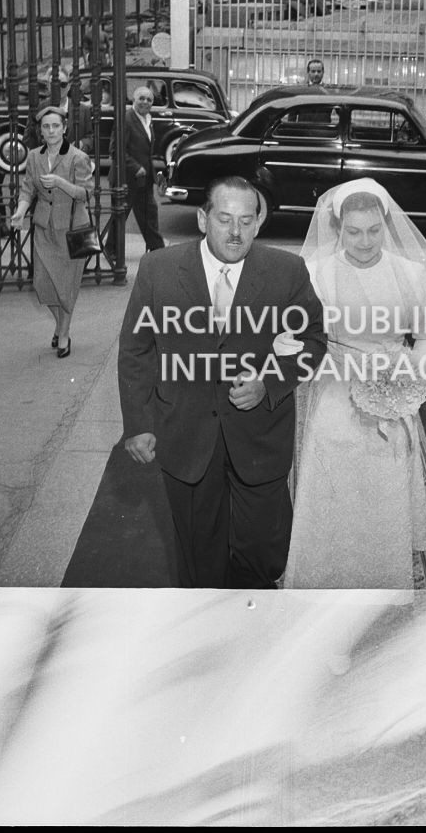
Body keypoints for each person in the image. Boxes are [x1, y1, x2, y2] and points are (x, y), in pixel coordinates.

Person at [117, 176, 327, 589]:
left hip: (260, 435)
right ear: (202, 218)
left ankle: (252, 626)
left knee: (263, 554)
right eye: (225, 219)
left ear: (258, 223)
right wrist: (138, 424)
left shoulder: (286, 271)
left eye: (247, 221)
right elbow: (136, 350)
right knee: (199, 557)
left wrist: (268, 383)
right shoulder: (158, 270)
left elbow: (314, 341)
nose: (235, 232)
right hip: (186, 435)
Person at [283, 178, 426, 590]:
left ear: (387, 224)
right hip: (335, 384)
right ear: (338, 229)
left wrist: (409, 372)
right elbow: (300, 337)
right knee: (335, 477)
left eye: (373, 230)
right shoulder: (317, 274)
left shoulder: (411, 273)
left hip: (393, 388)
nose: (364, 241)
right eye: (353, 231)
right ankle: (327, 575)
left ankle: (382, 578)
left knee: (383, 484)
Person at [8, 105, 94, 358]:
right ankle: (60, 325)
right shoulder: (34, 156)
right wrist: (20, 211)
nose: (51, 130)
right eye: (46, 127)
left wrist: (60, 183)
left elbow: (86, 192)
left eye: (56, 126)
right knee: (43, 285)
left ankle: (64, 334)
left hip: (72, 230)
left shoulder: (78, 157)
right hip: (44, 229)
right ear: (40, 132)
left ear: (64, 129)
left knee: (66, 287)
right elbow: (28, 189)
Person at [110, 84, 166, 253]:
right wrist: (135, 167)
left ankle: (157, 250)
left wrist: (154, 175)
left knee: (149, 213)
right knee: (120, 217)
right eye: (141, 98)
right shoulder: (126, 120)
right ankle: (111, 250)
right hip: (125, 179)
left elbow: (146, 151)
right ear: (133, 100)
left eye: (149, 99)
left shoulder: (148, 119)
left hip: (144, 180)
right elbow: (115, 150)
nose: (145, 102)